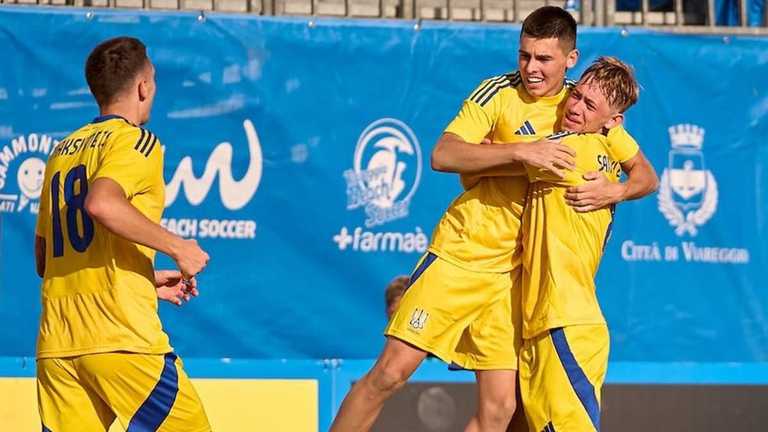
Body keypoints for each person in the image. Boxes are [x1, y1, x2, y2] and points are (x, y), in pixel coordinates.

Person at [330, 7, 657, 432]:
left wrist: (615, 190)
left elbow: (646, 175)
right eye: (524, 56)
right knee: (390, 373)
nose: (531, 69)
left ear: (570, 59)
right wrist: (519, 151)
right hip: (463, 254)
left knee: (502, 410)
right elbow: (443, 154)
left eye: (544, 59)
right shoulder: (498, 92)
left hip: (514, 279)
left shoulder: (586, 104)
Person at [34, 36, 212, 431]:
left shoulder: (61, 152)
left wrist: (144, 281)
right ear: (143, 86)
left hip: (58, 346)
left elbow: (46, 260)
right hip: (121, 338)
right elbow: (102, 204)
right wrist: (178, 247)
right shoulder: (136, 141)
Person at [519, 56, 656, 432]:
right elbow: (647, 175)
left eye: (589, 105)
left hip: (566, 319)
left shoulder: (567, 150)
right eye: (575, 96)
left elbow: (474, 156)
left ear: (613, 121)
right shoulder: (610, 146)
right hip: (547, 319)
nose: (575, 107)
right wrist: (621, 188)